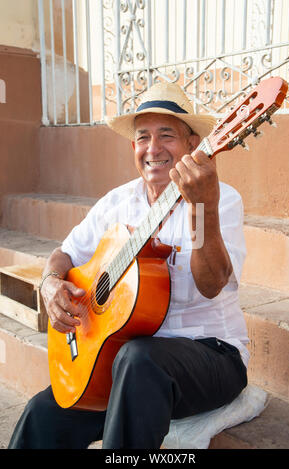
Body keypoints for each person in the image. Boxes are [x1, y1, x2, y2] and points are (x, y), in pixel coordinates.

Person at [8, 82, 249, 449]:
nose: (153, 148)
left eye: (166, 135)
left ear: (193, 144)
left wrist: (202, 208)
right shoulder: (116, 203)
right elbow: (64, 255)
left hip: (211, 355)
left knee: (139, 360)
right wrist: (51, 284)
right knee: (43, 412)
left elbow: (212, 283)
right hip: (122, 363)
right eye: (143, 138)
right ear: (132, 147)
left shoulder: (220, 200)